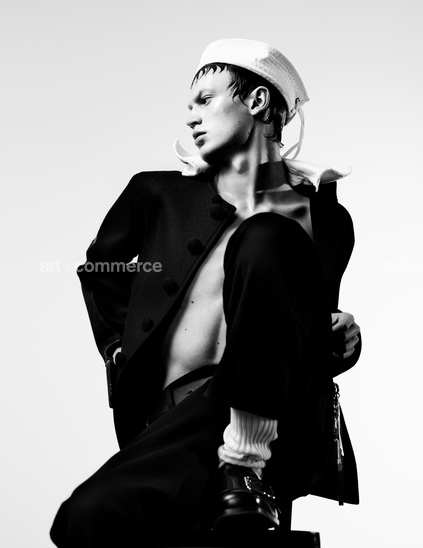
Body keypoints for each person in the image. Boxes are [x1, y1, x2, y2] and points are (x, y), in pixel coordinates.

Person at [50, 39, 361, 547]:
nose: (191, 116)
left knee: (265, 235)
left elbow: (306, 322)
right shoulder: (157, 195)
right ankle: (236, 475)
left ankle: (245, 463)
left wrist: (345, 337)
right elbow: (100, 269)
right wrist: (118, 347)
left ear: (257, 101)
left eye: (206, 99)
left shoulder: (324, 220)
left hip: (276, 426)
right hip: (180, 420)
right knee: (86, 519)